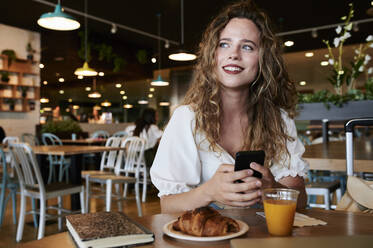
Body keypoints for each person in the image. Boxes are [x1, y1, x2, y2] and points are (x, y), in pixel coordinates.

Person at [150, 0, 309, 214]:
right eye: (224, 44)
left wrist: (272, 188)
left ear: (263, 59)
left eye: (247, 46)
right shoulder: (187, 118)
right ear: (212, 55)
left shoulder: (279, 120)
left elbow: (300, 200)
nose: (233, 54)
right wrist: (209, 192)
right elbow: (167, 205)